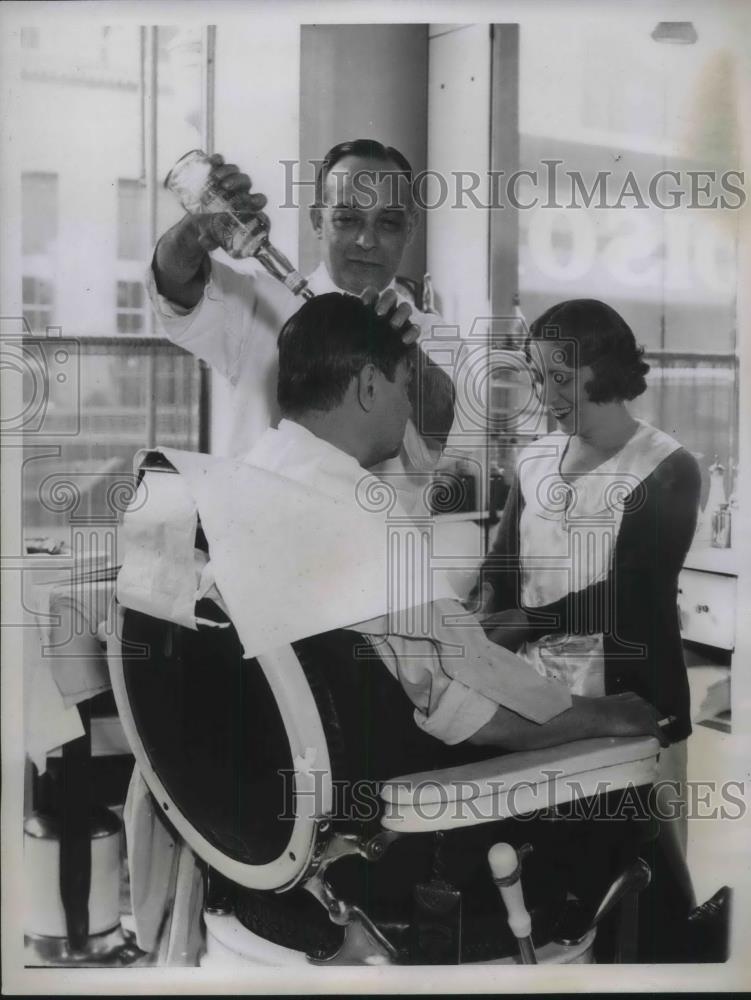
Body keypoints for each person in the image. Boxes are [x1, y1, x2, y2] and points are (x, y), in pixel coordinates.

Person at [244, 291, 669, 754]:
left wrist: (463, 623)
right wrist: (608, 714)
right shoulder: (366, 517)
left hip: (269, 765)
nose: (409, 409)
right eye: (405, 388)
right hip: (381, 767)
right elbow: (477, 712)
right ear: (369, 386)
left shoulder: (251, 480)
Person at [473, 297, 702, 956]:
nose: (544, 395)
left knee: (641, 889)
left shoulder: (666, 467)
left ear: (601, 371)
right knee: (559, 884)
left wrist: (522, 622)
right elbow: (504, 561)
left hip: (630, 705)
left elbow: (631, 598)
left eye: (559, 380)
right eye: (537, 377)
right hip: (546, 710)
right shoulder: (535, 461)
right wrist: (485, 610)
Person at [147, 138, 455, 511]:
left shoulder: (432, 335)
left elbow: (447, 432)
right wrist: (196, 231)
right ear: (317, 220)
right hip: (266, 542)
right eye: (347, 218)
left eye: (388, 222)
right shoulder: (259, 305)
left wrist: (403, 349)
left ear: (410, 228)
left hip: (379, 554)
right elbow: (172, 278)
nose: (366, 240)